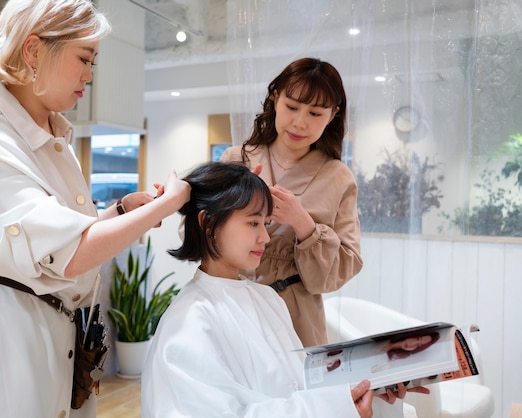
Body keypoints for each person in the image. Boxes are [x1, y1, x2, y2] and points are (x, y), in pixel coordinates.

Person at [0, 1, 190, 417]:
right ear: (33, 51)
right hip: (1, 339)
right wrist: (175, 200)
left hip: (50, 334)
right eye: (83, 59)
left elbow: (61, 236)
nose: (89, 75)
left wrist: (122, 213)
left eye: (94, 62)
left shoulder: (54, 139)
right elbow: (68, 253)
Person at [142, 161, 413, 418]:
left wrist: (369, 388)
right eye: (253, 223)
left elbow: (302, 387)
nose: (265, 237)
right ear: (208, 224)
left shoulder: (266, 297)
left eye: (266, 223)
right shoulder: (190, 320)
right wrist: (340, 406)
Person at [220, 57, 362, 347]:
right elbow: (199, 233)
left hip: (296, 318)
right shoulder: (237, 160)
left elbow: (344, 267)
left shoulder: (338, 178)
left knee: (291, 391)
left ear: (333, 114)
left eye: (315, 113)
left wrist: (303, 223)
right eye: (292, 107)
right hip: (233, 305)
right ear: (276, 99)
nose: (300, 122)